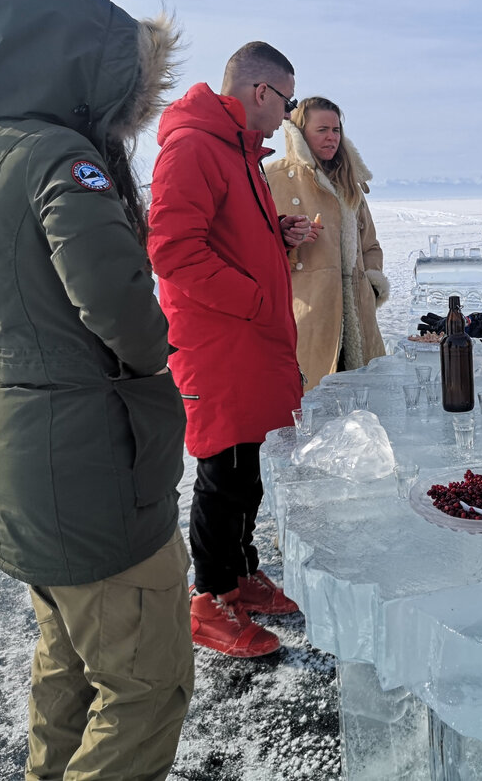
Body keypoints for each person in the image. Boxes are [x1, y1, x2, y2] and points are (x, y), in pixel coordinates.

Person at [0, 0, 193, 779]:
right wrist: (156, 339)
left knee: (68, 667)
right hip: (92, 458)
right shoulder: (63, 158)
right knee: (146, 688)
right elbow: (122, 315)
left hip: (22, 446)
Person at [147, 41, 309, 658]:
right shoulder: (193, 148)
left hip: (248, 339)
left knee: (246, 469)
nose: (289, 115)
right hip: (221, 343)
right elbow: (172, 250)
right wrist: (253, 299)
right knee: (222, 470)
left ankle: (241, 575)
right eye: (288, 102)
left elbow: (229, 240)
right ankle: (208, 599)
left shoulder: (239, 153)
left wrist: (278, 241)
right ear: (260, 92)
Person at [264, 97, 389, 391]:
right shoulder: (272, 178)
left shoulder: (349, 183)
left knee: (362, 411)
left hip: (359, 317)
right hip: (309, 317)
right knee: (309, 412)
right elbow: (254, 247)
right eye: (322, 129)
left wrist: (369, 287)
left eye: (336, 129)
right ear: (299, 132)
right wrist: (288, 241)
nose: (331, 136)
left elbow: (370, 246)